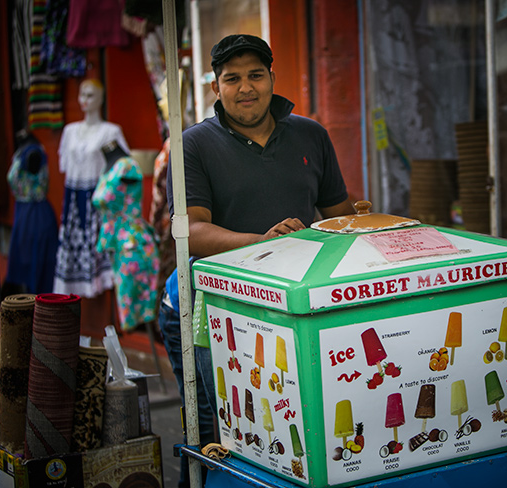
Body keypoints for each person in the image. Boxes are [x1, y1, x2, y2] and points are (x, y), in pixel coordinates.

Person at [160, 34, 354, 487]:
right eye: (232, 79)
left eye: (255, 75)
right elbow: (193, 233)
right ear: (215, 87)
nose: (245, 88)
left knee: (283, 430)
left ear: (272, 78)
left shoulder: (311, 135)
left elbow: (338, 216)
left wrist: (382, 231)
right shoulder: (192, 145)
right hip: (205, 310)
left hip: (284, 308)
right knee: (218, 437)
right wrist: (264, 243)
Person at [53, 79, 129, 298]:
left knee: (99, 246)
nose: (84, 100)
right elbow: (64, 166)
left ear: (101, 98)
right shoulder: (70, 131)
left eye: (90, 95)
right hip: (73, 200)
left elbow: (124, 167)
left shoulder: (110, 132)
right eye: (82, 94)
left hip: (98, 198)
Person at [91, 141, 160, 332]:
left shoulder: (126, 167)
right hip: (119, 244)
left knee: (136, 304)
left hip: (133, 243)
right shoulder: (109, 168)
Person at [3, 129, 59, 296]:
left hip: (36, 216)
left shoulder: (33, 153)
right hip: (24, 215)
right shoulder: (23, 150)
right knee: (28, 263)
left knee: (38, 264)